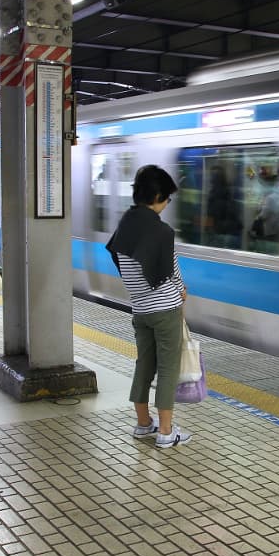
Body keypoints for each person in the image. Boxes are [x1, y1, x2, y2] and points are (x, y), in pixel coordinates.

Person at [107, 165, 192, 449]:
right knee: (168, 368)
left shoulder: (126, 224)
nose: (167, 203)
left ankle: (144, 424)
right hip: (165, 310)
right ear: (156, 195)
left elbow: (126, 264)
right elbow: (172, 271)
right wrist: (181, 289)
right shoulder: (160, 231)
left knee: (144, 365)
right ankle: (167, 431)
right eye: (167, 197)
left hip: (140, 310)